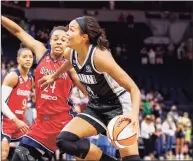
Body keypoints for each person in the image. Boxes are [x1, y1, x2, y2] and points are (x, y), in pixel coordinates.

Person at [39, 16, 141, 161]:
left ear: (84, 37)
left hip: (118, 106)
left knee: (131, 158)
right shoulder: (70, 52)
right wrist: (54, 76)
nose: (66, 33)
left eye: (71, 30)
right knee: (65, 141)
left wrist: (134, 115)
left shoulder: (100, 56)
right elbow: (69, 62)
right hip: (96, 106)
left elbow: (134, 88)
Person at [2, 16, 87, 161]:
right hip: (41, 123)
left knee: (83, 155)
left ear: (68, 43)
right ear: (50, 41)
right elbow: (18, 31)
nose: (59, 42)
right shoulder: (41, 52)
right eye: (56, 39)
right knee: (19, 156)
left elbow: (86, 91)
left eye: (63, 39)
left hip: (62, 121)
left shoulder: (71, 64)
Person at [1, 44, 33, 161]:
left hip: (21, 123)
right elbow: (1, 102)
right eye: (25, 57)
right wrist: (16, 120)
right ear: (18, 59)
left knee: (27, 153)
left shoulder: (31, 79)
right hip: (6, 121)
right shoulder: (13, 76)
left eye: (30, 56)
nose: (28, 59)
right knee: (3, 155)